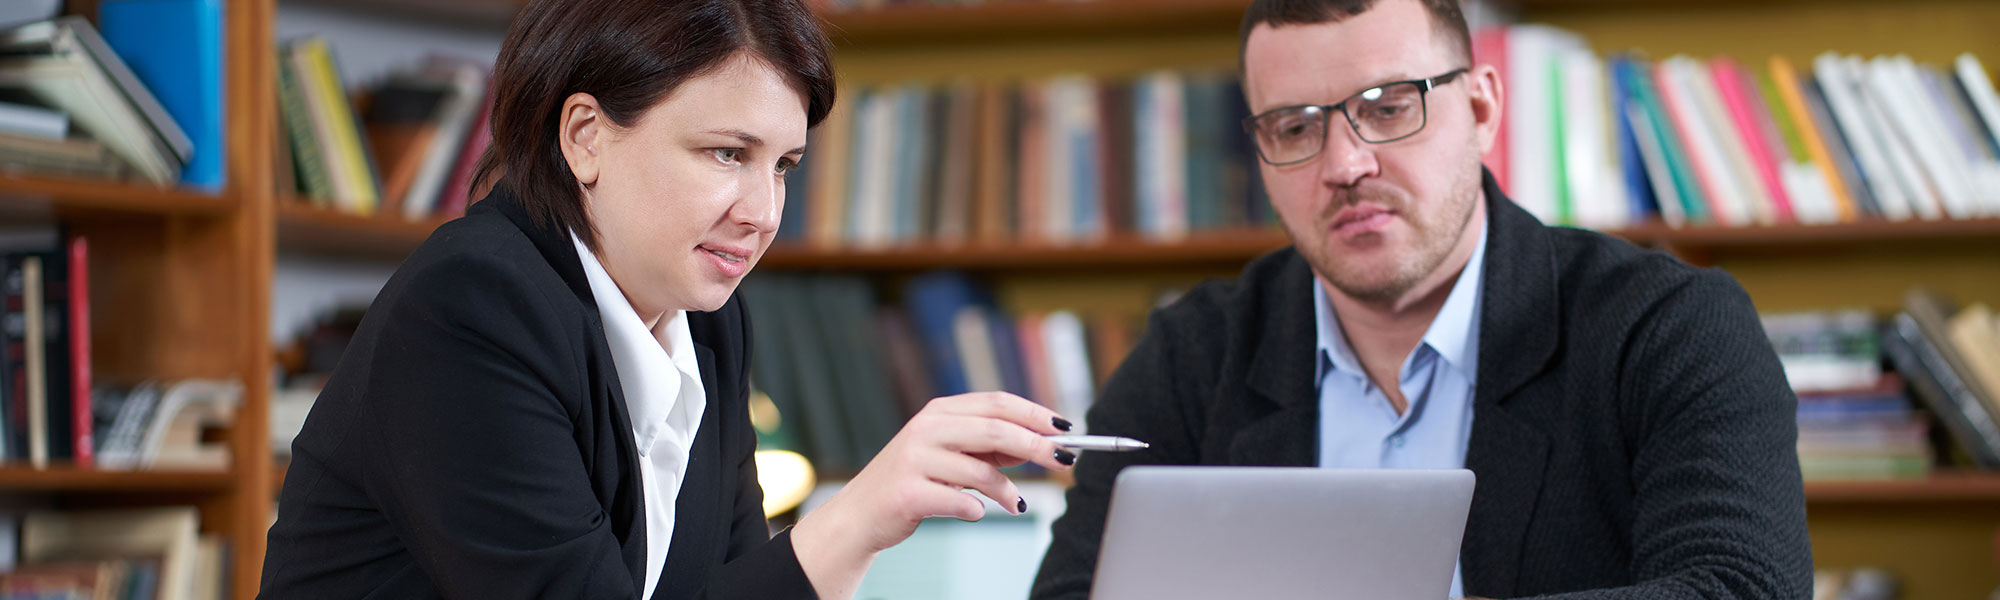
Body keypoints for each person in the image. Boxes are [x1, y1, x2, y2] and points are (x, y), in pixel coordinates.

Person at [259, 1, 1077, 598]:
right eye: (727, 153)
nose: (762, 213)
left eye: (784, 166)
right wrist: (858, 515)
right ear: (585, 137)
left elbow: (727, 587)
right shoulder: (472, 306)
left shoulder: (708, 325)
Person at [1029, 0, 1812, 598]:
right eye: (1295, 128)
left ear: (1481, 109)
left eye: (1387, 107)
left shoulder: (1666, 328)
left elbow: (1738, 588)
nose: (1344, 163)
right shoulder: (1189, 357)